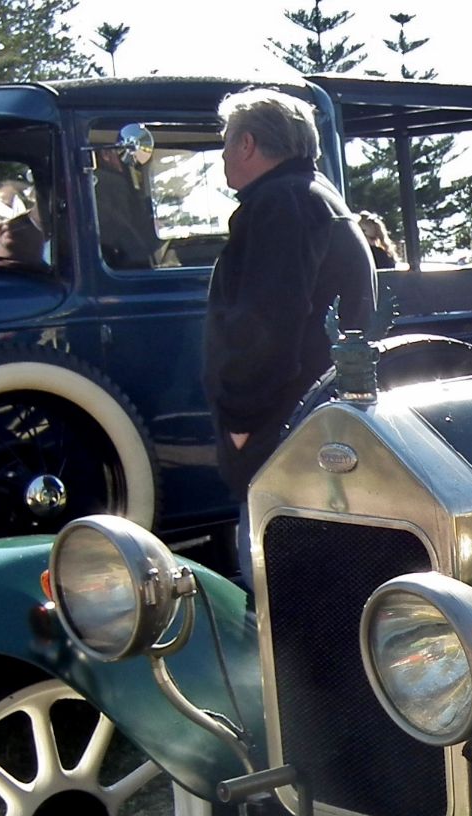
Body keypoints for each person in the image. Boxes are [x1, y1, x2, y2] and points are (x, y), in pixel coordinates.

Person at [204, 88, 374, 581]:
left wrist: (241, 421)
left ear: (248, 143)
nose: (221, 154)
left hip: (282, 439)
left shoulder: (282, 203)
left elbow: (267, 322)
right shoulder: (314, 197)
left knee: (276, 603)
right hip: (315, 432)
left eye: (226, 141)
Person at [93, 147, 160, 269]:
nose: (126, 161)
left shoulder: (100, 181)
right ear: (106, 154)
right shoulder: (113, 182)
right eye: (121, 154)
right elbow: (123, 222)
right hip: (120, 259)